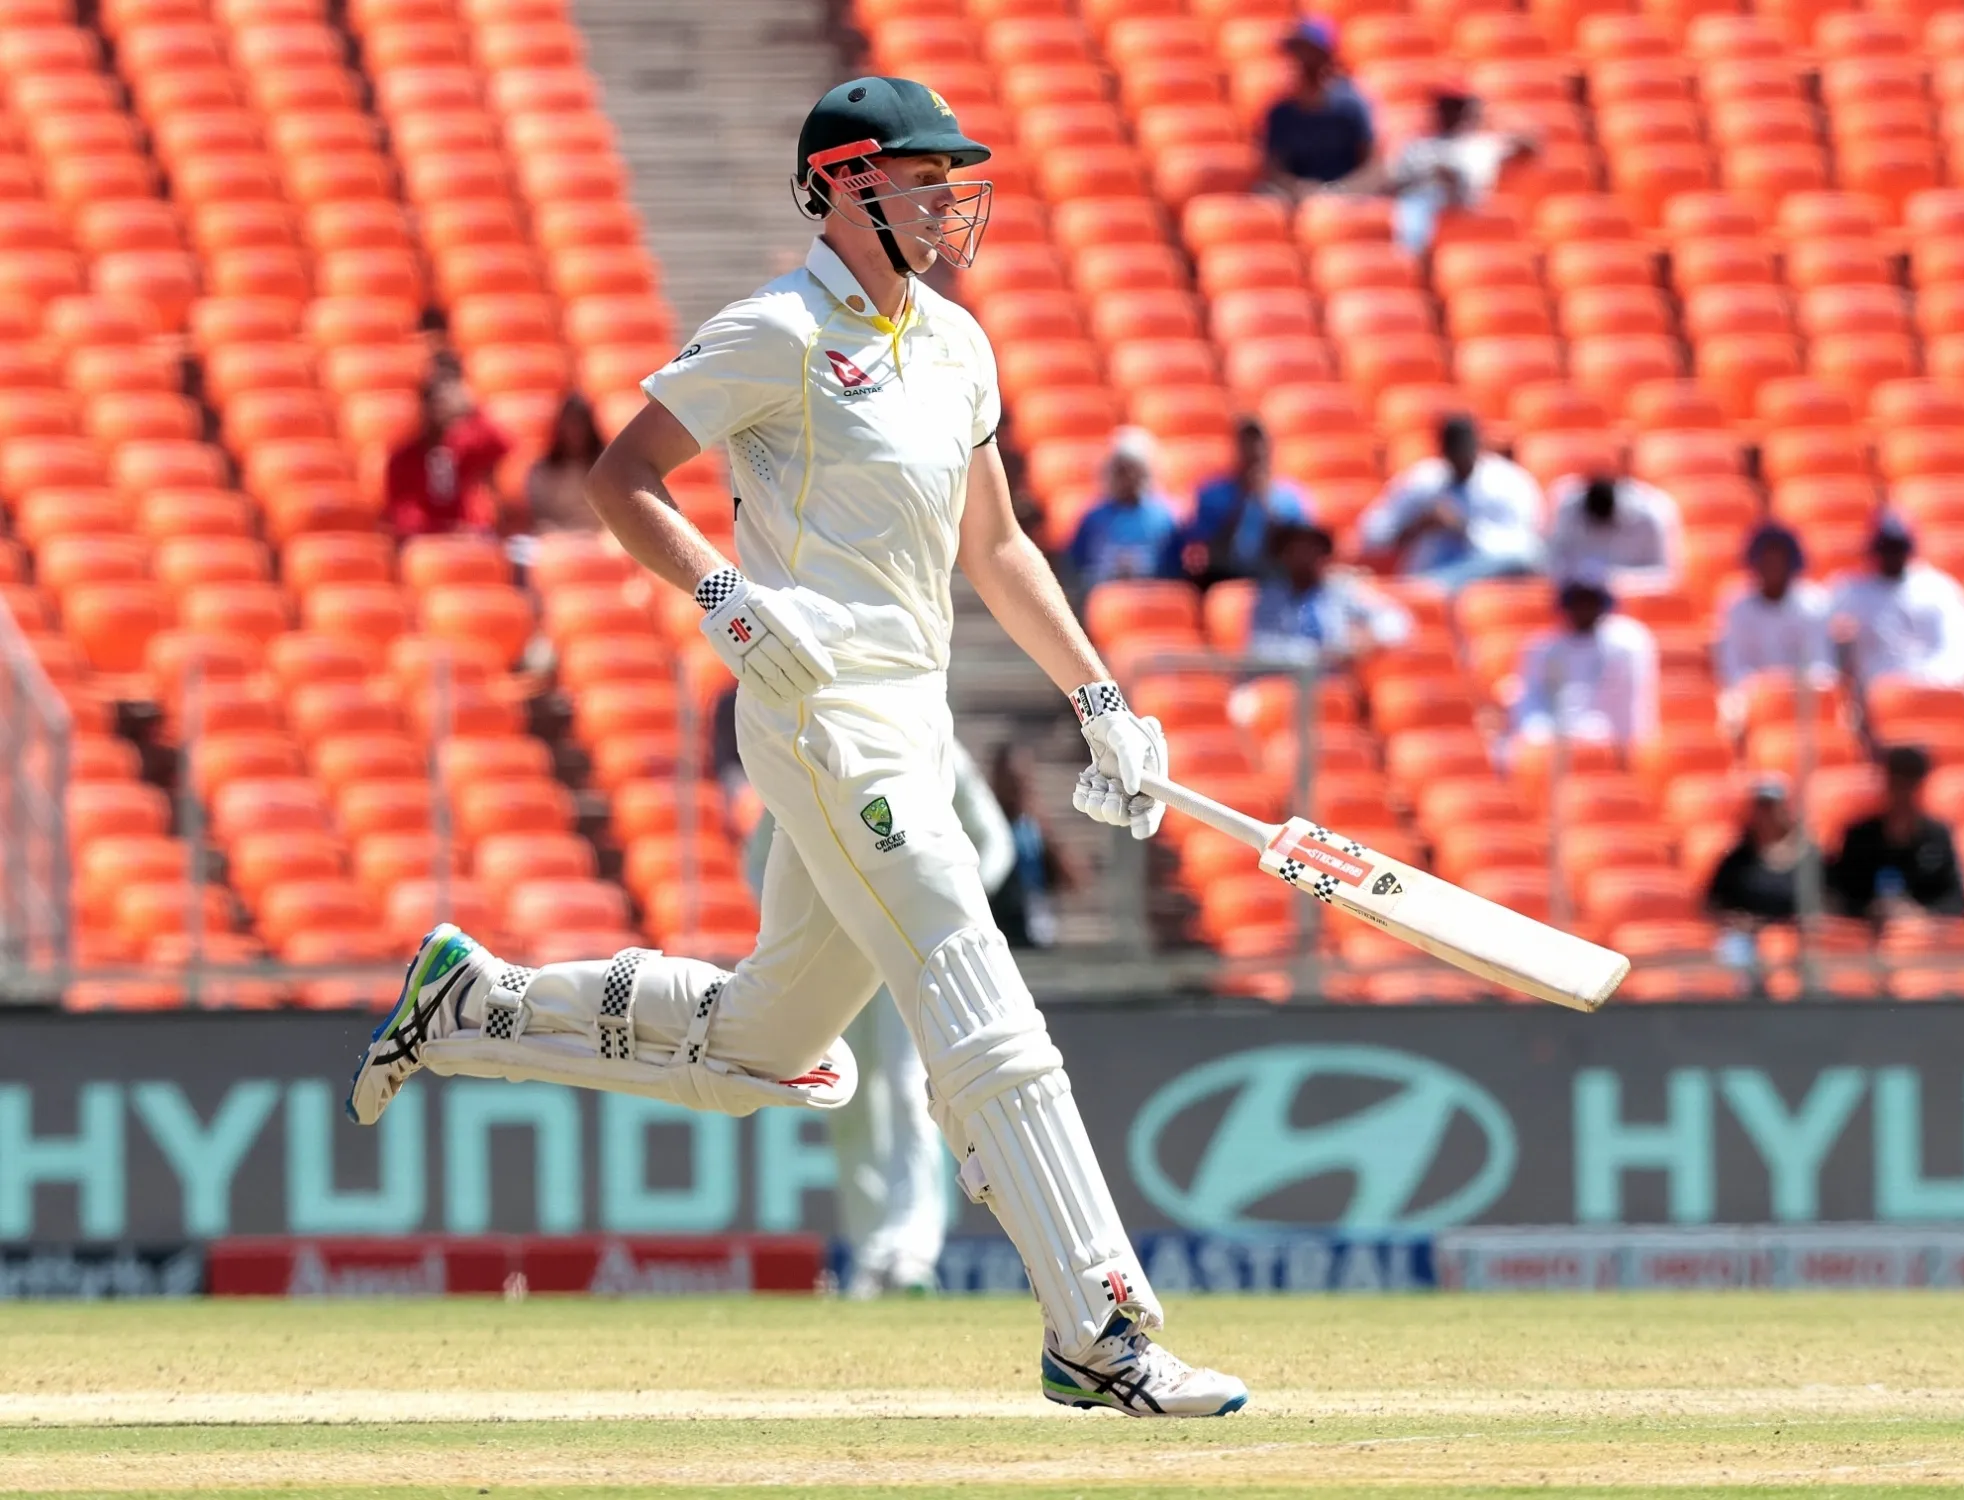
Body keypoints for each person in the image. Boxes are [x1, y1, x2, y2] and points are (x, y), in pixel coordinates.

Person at [344, 76, 1246, 1417]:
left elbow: (993, 549)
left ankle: (472, 1007)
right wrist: (725, 598)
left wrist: (1099, 697)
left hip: (914, 713)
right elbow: (619, 479)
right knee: (968, 970)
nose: (948, 203)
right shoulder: (773, 331)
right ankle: (1098, 1330)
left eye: (953, 180)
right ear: (845, 182)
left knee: (765, 1042)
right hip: (816, 709)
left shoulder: (955, 344)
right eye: (924, 178)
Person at [742, 742, 1014, 1300]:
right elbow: (757, 861)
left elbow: (993, 842)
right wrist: (795, 931)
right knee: (849, 1099)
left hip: (911, 948)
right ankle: (871, 1255)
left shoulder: (931, 743)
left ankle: (910, 1253)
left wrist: (944, 912)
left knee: (911, 1087)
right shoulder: (804, 747)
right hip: (835, 954)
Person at [1357, 413, 1545, 592]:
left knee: (1526, 559)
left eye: (1466, 448)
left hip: (1492, 575)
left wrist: (1464, 529)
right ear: (1443, 451)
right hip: (1431, 574)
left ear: (1478, 446)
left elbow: (1526, 544)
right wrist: (1418, 525)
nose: (1461, 457)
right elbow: (1372, 534)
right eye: (1454, 450)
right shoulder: (1425, 480)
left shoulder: (1508, 480)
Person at [1509, 561, 1659, 747]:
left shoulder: (1628, 643)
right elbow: (1531, 703)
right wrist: (1542, 732)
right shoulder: (1543, 647)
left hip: (1611, 742)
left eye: (1591, 601)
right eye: (1578, 602)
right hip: (1553, 743)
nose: (1584, 609)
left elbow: (1629, 709)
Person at [1377, 86, 1539, 253]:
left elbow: (1531, 146)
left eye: (1457, 108)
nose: (1451, 114)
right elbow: (1394, 179)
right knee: (1416, 201)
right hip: (1429, 198)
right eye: (1446, 108)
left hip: (1468, 199)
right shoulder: (1421, 145)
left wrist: (1492, 118)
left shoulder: (1484, 143)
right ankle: (1412, 259)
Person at [1829, 513, 1964, 687]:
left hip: (1933, 692)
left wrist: (1922, 685)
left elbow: (1958, 652)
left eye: (1897, 548)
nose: (1892, 555)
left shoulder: (1938, 589)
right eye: (1886, 548)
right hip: (1872, 697)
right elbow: (1827, 655)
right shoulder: (1850, 593)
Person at [1826, 745, 1964, 920]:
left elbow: (1954, 897)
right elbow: (1839, 892)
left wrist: (1922, 915)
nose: (1904, 791)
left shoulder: (1938, 836)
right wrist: (1870, 910)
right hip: (1868, 937)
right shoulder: (1859, 836)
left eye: (1911, 782)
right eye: (1898, 781)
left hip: (1926, 939)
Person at [1248, 521, 1413, 669]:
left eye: (1313, 549)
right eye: (1297, 550)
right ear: (1283, 555)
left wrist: (1371, 636)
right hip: (1289, 682)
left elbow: (1397, 620)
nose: (1306, 557)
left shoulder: (1341, 587)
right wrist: (1319, 654)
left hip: (1337, 682)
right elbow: (1262, 647)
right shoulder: (1270, 595)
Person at [383, 359, 511, 540]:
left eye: (445, 403)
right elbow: (405, 517)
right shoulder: (403, 458)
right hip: (430, 547)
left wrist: (473, 409)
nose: (440, 411)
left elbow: (502, 445)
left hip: (473, 538)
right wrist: (446, 532)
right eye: (435, 404)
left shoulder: (467, 447)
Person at [1179, 417, 1311, 588]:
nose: (1254, 449)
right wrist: (1241, 501)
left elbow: (1297, 547)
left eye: (1259, 442)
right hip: (1225, 576)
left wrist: (1265, 503)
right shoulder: (1212, 494)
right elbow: (1204, 550)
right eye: (1246, 442)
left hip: (1275, 579)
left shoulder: (1290, 497)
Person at [1715, 524, 1837, 703]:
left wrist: (1789, 685)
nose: (1773, 568)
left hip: (1804, 700)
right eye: (1767, 561)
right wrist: (1766, 689)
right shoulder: (1737, 607)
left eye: (1778, 561)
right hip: (1754, 701)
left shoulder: (1814, 604)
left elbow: (1822, 667)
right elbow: (1733, 669)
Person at [1260, 19, 1376, 196]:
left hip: (1348, 194)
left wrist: (1340, 191)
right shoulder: (1281, 113)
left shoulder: (1350, 106)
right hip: (1298, 198)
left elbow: (1371, 163)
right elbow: (1274, 169)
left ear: (1325, 56)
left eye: (1307, 51)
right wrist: (1298, 188)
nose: (1299, 61)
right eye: (1295, 52)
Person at [987, 741, 1083, 949]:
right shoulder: (985, 825)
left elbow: (1073, 880)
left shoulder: (1035, 827)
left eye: (1022, 779)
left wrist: (1046, 834)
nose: (1017, 786)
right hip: (996, 927)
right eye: (1010, 779)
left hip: (1036, 927)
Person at [1065, 426, 1182, 592]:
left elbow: (1174, 574)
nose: (1128, 478)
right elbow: (1075, 571)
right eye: (1121, 470)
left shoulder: (1165, 519)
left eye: (1134, 470)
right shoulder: (1092, 519)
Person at [1547, 471, 1683, 591]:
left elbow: (1667, 576)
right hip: (1583, 600)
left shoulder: (1653, 514)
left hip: (1639, 600)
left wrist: (1620, 581)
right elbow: (1555, 568)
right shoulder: (1569, 509)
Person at [1706, 776, 1809, 928]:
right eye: (1760, 807)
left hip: (1797, 937)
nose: (1765, 815)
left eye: (1771, 806)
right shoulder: (1737, 859)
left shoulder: (1810, 858)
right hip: (1747, 936)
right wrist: (1736, 921)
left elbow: (1829, 904)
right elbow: (1714, 905)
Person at [526, 393, 608, 535]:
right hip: (558, 538)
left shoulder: (607, 469)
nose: (575, 431)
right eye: (570, 424)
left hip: (599, 539)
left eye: (580, 424)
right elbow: (541, 519)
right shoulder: (542, 471)